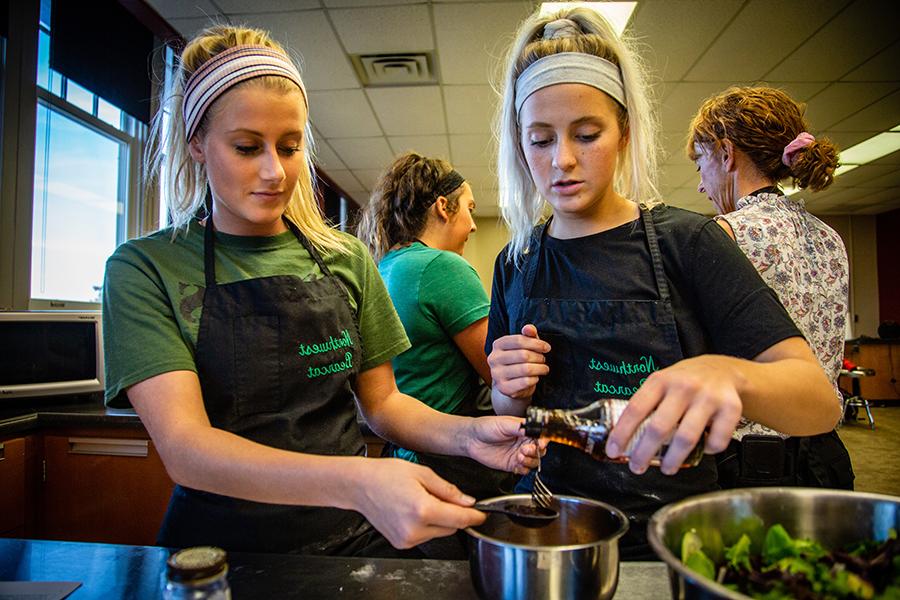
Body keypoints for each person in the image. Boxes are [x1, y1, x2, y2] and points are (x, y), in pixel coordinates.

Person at [102, 25, 541, 558]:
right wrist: (357, 480)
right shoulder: (146, 269)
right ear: (196, 143)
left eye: (290, 148)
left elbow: (384, 404)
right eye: (246, 147)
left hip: (350, 539)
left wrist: (467, 437)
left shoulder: (346, 260)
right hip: (217, 553)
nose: (274, 172)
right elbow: (188, 449)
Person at [487, 8, 841, 559]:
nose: (563, 160)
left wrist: (728, 374)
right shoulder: (517, 260)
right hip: (549, 530)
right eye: (540, 140)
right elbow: (507, 417)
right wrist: (508, 391)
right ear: (519, 143)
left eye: (587, 134)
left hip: (670, 539)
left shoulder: (689, 242)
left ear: (624, 131)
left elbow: (819, 402)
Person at [687, 85, 854, 489]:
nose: (701, 186)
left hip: (748, 463)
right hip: (823, 456)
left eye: (701, 166)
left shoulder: (723, 234)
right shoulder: (830, 237)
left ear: (726, 154)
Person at [357, 152, 514, 501]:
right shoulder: (442, 267)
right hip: (451, 461)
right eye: (470, 208)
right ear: (444, 207)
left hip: (406, 456)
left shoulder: (385, 268)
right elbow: (500, 377)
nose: (473, 225)